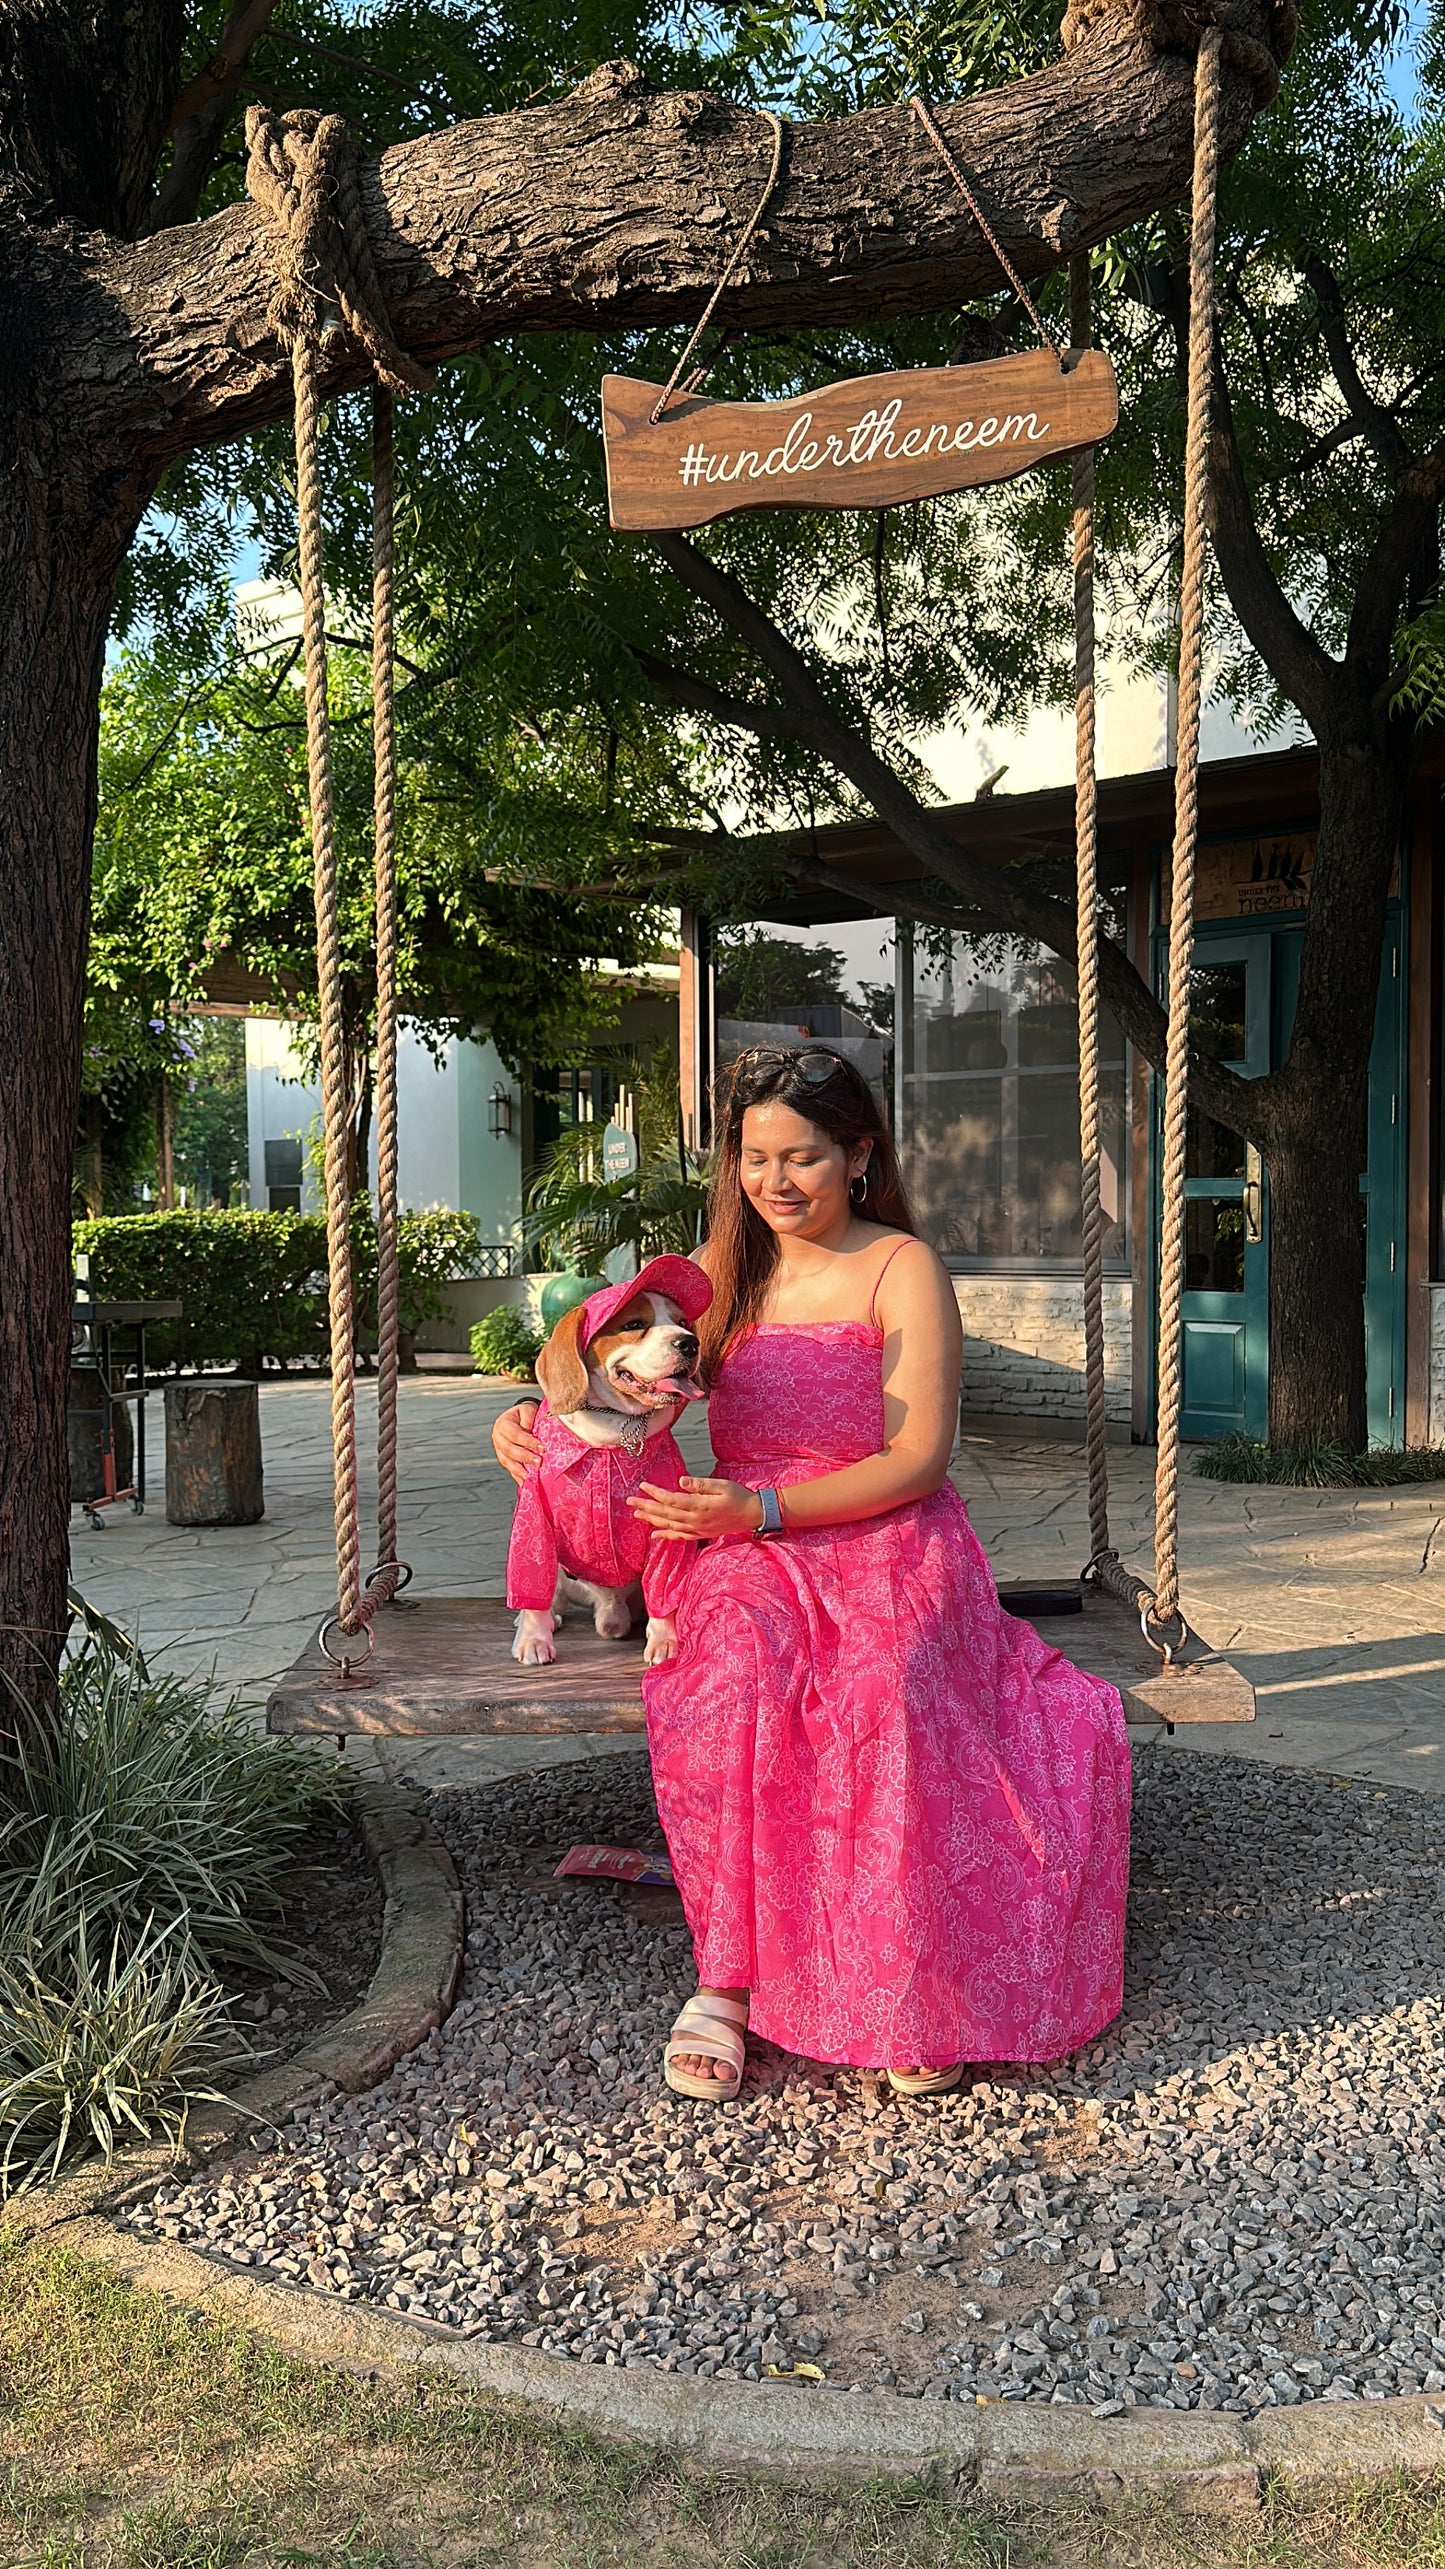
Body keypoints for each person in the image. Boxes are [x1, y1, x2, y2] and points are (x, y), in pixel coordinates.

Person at [492, 1045, 1130, 2102]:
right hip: (744, 1545)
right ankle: (729, 1979)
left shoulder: (900, 1266)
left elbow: (916, 1456)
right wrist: (522, 1419)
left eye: (804, 1157)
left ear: (860, 1154)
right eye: (754, 1159)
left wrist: (766, 1506)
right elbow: (602, 1373)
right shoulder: (712, 1273)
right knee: (728, 1673)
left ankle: (906, 1984)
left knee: (882, 1684)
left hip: (886, 1527)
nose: (775, 1183)